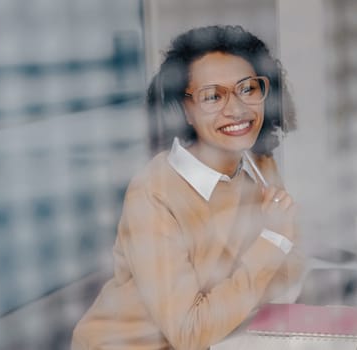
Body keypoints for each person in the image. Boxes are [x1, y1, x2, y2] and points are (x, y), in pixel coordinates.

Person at [72, 25, 304, 350]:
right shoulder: (153, 193)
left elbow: (285, 278)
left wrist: (275, 248)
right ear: (185, 111)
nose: (237, 109)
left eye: (247, 89)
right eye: (212, 96)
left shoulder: (260, 165)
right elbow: (189, 333)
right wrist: (273, 240)